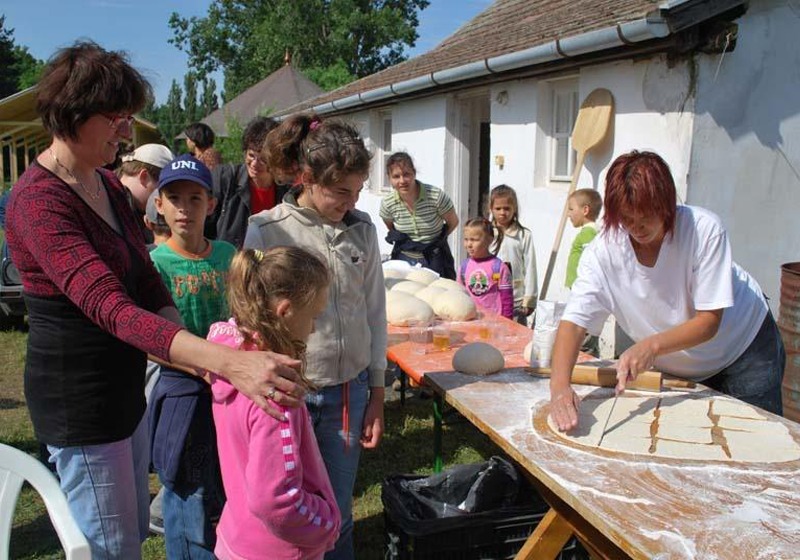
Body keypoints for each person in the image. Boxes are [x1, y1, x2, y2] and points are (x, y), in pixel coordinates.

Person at [3, 41, 305, 560]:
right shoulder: (38, 201)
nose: (126, 131)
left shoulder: (106, 186)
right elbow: (111, 307)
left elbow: (145, 282)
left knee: (133, 529)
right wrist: (227, 361)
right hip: (82, 406)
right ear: (72, 115)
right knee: (110, 547)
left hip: (124, 394)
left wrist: (202, 361)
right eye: (116, 118)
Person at [549, 150, 785, 432]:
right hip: (681, 362)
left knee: (754, 441)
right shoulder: (602, 252)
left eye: (646, 216)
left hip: (745, 349)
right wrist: (560, 386)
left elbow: (708, 321)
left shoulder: (703, 230)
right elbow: (574, 323)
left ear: (666, 204)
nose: (637, 227)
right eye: (627, 218)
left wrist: (651, 346)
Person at [247, 113, 386, 560]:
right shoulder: (267, 230)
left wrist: (378, 392)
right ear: (306, 177)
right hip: (290, 394)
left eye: (358, 191)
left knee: (337, 510)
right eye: (340, 191)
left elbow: (375, 313)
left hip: (349, 393)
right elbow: (251, 318)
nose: (350, 201)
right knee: (289, 510)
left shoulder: (362, 229)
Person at [207, 246, 341, 560]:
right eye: (314, 316)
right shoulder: (276, 394)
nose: (313, 328)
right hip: (278, 550)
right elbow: (276, 500)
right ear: (285, 311)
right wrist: (326, 522)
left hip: (238, 537)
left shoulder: (231, 359)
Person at [148, 154, 236, 558]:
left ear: (211, 204)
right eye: (175, 198)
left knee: (224, 477)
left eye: (195, 198)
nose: (185, 208)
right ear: (159, 204)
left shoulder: (227, 256)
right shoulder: (154, 264)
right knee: (187, 485)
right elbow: (152, 335)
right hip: (182, 386)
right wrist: (199, 365)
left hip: (229, 384)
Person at [205, 116, 290, 247]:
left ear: (276, 158)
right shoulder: (225, 178)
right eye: (251, 155)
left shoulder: (286, 190)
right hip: (231, 263)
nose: (255, 163)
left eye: (262, 159)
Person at [380, 152, 459, 279]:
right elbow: (391, 227)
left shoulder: (435, 196)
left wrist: (436, 241)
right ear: (389, 178)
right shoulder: (387, 204)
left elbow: (453, 222)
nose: (402, 181)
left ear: (414, 173)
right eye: (396, 176)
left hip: (434, 258)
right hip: (404, 260)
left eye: (406, 174)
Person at [489, 184, 537, 324]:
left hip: (516, 299)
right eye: (498, 208)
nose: (502, 212)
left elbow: (530, 267)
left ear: (514, 208)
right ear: (491, 208)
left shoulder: (523, 235)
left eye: (507, 208)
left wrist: (529, 299)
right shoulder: (486, 233)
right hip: (490, 297)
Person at [565, 188, 603, 356]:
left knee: (584, 337)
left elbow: (592, 264)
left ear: (585, 210)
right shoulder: (587, 232)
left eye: (571, 209)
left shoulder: (589, 234)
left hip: (586, 294)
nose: (568, 214)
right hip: (579, 291)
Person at [117, 143, 175, 243]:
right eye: (164, 189)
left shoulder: (116, 200)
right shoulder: (112, 205)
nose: (165, 199)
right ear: (144, 177)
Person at [459, 217, 513, 320]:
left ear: (489, 240)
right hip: (471, 321)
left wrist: (507, 324)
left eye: (474, 240)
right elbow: (460, 294)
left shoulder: (499, 267)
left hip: (493, 324)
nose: (469, 244)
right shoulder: (463, 267)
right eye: (466, 239)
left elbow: (507, 299)